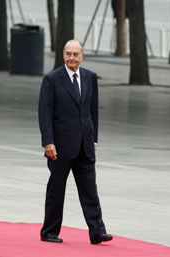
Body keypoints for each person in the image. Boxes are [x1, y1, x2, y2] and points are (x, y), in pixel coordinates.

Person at [38, 39, 113, 245]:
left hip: (85, 145)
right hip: (60, 147)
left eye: (76, 54)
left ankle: (97, 231)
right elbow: (45, 114)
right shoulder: (52, 79)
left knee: (90, 189)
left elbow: (93, 111)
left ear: (82, 55)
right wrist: (48, 142)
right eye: (68, 54)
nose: (72, 58)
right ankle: (49, 231)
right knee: (57, 189)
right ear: (63, 55)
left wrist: (94, 138)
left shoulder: (90, 77)